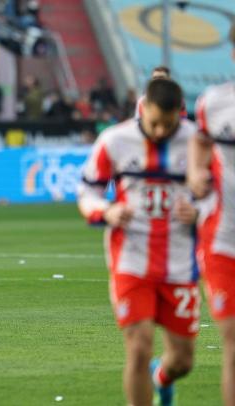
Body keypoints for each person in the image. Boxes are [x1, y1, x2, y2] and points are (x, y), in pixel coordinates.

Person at [78, 79, 201, 406]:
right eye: (155, 122)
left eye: (169, 123)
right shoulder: (115, 140)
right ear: (143, 109)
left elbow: (220, 193)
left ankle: (162, 376)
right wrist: (107, 210)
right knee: (138, 346)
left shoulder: (197, 142)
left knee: (183, 361)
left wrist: (200, 210)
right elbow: (87, 192)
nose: (161, 131)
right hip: (130, 259)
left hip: (180, 264)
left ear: (180, 115)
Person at [188, 24, 235, 406]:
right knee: (233, 342)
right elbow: (201, 141)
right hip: (224, 239)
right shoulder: (214, 103)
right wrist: (195, 173)